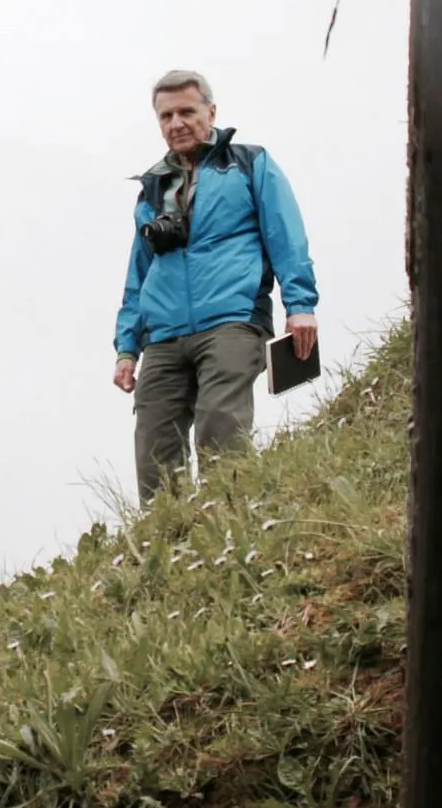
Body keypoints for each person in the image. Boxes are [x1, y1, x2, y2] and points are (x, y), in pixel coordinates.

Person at [112, 70, 318, 505]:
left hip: (232, 319)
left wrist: (300, 305)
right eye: (166, 116)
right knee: (153, 445)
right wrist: (127, 348)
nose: (177, 123)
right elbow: (138, 274)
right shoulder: (153, 188)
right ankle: (171, 547)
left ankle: (234, 526)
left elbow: (286, 234)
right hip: (164, 336)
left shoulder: (248, 163)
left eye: (187, 111)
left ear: (211, 111)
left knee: (219, 425)